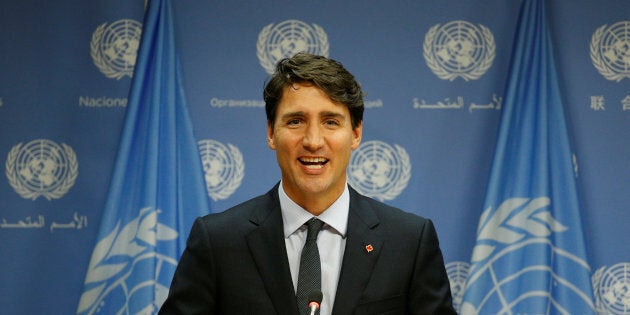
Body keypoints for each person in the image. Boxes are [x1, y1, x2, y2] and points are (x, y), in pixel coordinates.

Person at [159, 52, 456, 315]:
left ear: (355, 134)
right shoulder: (218, 241)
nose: (313, 141)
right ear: (271, 133)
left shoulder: (408, 242)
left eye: (330, 122)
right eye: (295, 121)